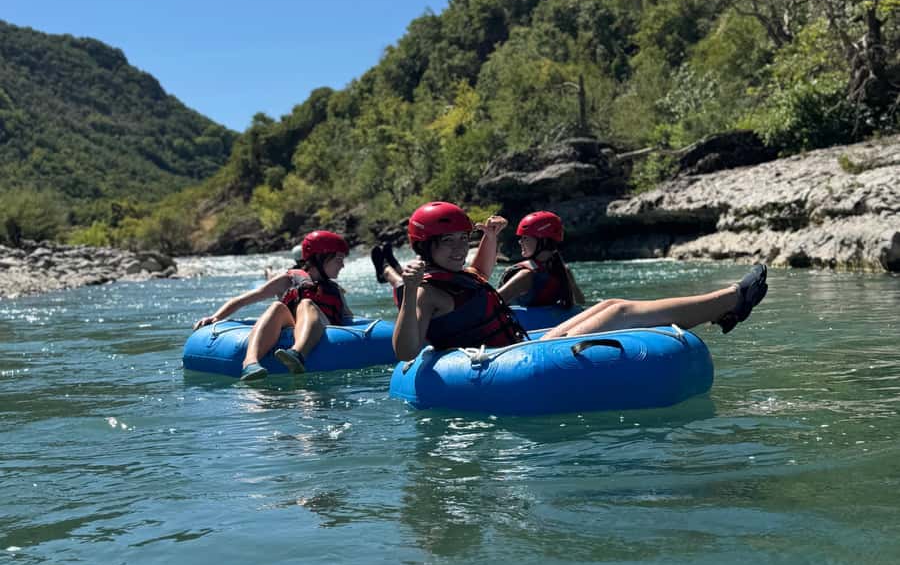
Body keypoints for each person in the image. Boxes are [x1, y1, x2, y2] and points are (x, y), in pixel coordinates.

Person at [392, 201, 768, 361]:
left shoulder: (458, 275)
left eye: (463, 240)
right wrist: (408, 292)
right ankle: (730, 300)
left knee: (610, 305)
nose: (459, 249)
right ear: (425, 246)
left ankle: (724, 308)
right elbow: (406, 352)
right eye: (448, 242)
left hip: (519, 348)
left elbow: (480, 275)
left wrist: (488, 236)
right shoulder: (426, 292)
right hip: (507, 360)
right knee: (619, 313)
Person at [193, 230, 353, 381]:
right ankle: (250, 363)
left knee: (306, 303)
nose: (342, 265)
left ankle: (297, 354)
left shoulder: (335, 290)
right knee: (277, 307)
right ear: (320, 257)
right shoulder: (288, 280)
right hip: (292, 324)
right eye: (338, 259)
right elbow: (243, 300)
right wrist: (216, 317)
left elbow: (348, 319)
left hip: (324, 328)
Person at [495, 210, 585, 308]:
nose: (520, 242)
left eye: (525, 237)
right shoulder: (563, 271)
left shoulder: (525, 276)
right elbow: (580, 305)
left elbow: (491, 304)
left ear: (543, 240)